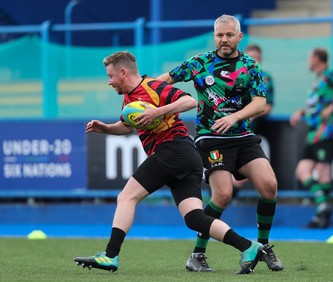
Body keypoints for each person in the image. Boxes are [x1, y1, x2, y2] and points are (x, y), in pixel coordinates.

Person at [73, 51, 271, 275]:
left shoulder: (151, 86)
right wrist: (107, 129)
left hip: (173, 149)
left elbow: (189, 101)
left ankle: (110, 255)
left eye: (110, 76)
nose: (109, 82)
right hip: (186, 156)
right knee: (195, 219)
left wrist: (158, 111)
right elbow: (128, 125)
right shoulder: (129, 97)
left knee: (126, 196)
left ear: (122, 72)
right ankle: (250, 247)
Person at [158, 14, 283, 272]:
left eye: (229, 35)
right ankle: (197, 255)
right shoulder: (200, 62)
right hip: (211, 137)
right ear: (214, 37)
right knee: (223, 195)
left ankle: (262, 247)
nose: (224, 39)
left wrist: (234, 117)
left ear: (240, 37)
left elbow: (260, 103)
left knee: (269, 185)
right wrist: (141, 94)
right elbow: (165, 80)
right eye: (219, 35)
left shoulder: (250, 65)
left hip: (242, 136)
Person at [290, 48, 333, 228]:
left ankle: (322, 215)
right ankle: (323, 204)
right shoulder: (317, 80)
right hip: (313, 132)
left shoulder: (328, 74)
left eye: (310, 57)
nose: (308, 61)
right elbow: (316, 104)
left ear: (316, 58)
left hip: (328, 130)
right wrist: (302, 111)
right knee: (302, 170)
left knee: (323, 169)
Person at [231, 44, 275, 194]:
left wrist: (249, 116)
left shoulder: (265, 78)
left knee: (245, 170)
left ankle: (229, 196)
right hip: (230, 128)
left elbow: (267, 106)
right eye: (251, 57)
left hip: (251, 131)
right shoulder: (236, 76)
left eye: (256, 58)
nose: (253, 61)